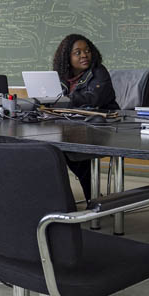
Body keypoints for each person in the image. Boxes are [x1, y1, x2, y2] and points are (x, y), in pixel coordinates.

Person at [51, 33, 119, 200]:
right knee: (54, 147)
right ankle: (79, 196)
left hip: (103, 124)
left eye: (87, 51)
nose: (84, 55)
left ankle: (91, 195)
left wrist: (63, 100)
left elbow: (95, 98)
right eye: (77, 52)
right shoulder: (60, 75)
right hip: (72, 123)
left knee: (68, 148)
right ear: (67, 57)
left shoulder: (98, 71)